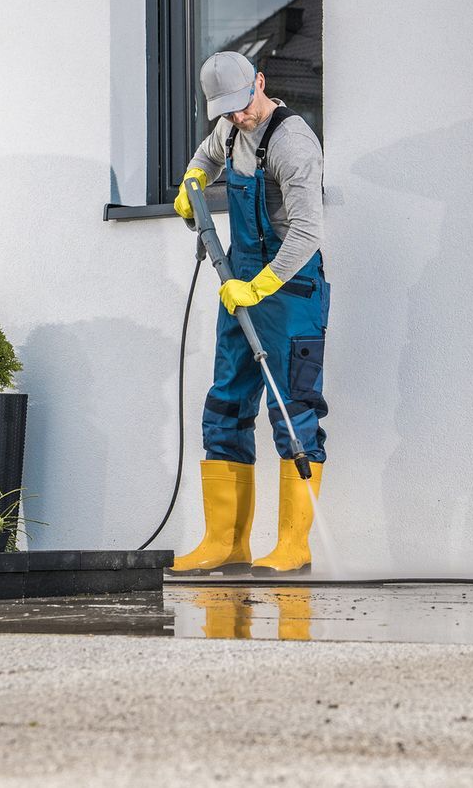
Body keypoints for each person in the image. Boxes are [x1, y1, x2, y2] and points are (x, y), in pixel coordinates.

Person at [168, 50, 330, 577]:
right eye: (226, 110)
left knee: (293, 410)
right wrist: (190, 185)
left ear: (260, 82)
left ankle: (293, 545)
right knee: (226, 403)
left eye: (242, 105)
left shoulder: (294, 143)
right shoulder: (229, 129)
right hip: (239, 284)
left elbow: (307, 232)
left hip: (290, 291)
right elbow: (205, 158)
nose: (237, 117)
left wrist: (260, 286)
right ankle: (225, 543)